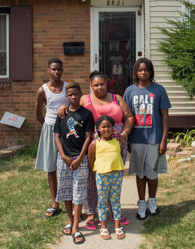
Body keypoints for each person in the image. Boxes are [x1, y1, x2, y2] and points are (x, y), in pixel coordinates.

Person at [57, 70, 134, 230]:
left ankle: (115, 210)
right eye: (96, 85)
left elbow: (129, 117)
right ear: (91, 86)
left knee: (115, 176)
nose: (99, 87)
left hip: (116, 143)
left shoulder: (116, 98)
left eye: (102, 84)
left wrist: (124, 134)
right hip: (94, 143)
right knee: (92, 177)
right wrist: (63, 106)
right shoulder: (85, 98)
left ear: (106, 83)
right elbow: (73, 103)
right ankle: (91, 212)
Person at [123, 58, 171, 220]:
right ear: (136, 72)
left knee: (152, 172)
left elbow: (164, 116)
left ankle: (152, 201)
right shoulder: (130, 91)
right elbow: (126, 116)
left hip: (154, 139)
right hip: (136, 139)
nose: (143, 73)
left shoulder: (159, 90)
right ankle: (141, 202)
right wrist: (127, 139)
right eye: (140, 70)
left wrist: (163, 140)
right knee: (140, 173)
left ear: (151, 71)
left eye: (146, 70)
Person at [54, 82, 94, 245]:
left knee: (78, 192)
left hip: (80, 159)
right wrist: (63, 156)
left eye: (76, 94)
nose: (73, 97)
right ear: (66, 96)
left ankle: (76, 227)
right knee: (66, 190)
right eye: (70, 95)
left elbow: (88, 137)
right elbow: (57, 136)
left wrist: (80, 158)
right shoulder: (62, 114)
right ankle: (70, 220)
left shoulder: (86, 114)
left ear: (81, 95)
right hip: (64, 158)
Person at [35, 58, 68, 218]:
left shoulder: (67, 88)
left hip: (67, 131)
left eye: (59, 69)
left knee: (68, 165)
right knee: (51, 167)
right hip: (49, 130)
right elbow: (38, 114)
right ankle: (55, 203)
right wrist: (50, 126)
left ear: (62, 70)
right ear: (48, 70)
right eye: (53, 69)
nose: (56, 72)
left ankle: (71, 201)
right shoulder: (42, 90)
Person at [88, 115, 126, 240]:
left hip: (116, 175)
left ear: (113, 128)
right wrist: (95, 173)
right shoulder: (95, 143)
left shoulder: (118, 141)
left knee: (116, 201)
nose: (106, 129)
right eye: (103, 127)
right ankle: (103, 228)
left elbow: (119, 156)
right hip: (102, 176)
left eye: (109, 126)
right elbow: (91, 159)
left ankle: (117, 227)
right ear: (98, 128)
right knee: (102, 201)